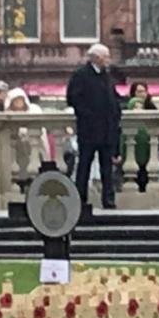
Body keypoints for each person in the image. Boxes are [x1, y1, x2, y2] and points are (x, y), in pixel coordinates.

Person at [66, 40, 123, 210]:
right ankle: (80, 199)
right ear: (96, 58)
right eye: (106, 56)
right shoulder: (81, 75)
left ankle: (108, 199)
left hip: (107, 129)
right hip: (89, 129)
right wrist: (89, 116)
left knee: (107, 167)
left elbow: (113, 98)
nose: (108, 59)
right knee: (84, 165)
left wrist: (116, 111)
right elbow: (74, 98)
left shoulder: (107, 76)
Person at [123, 81, 155, 191]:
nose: (142, 94)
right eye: (139, 91)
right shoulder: (127, 109)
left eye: (144, 91)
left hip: (148, 150)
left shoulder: (152, 108)